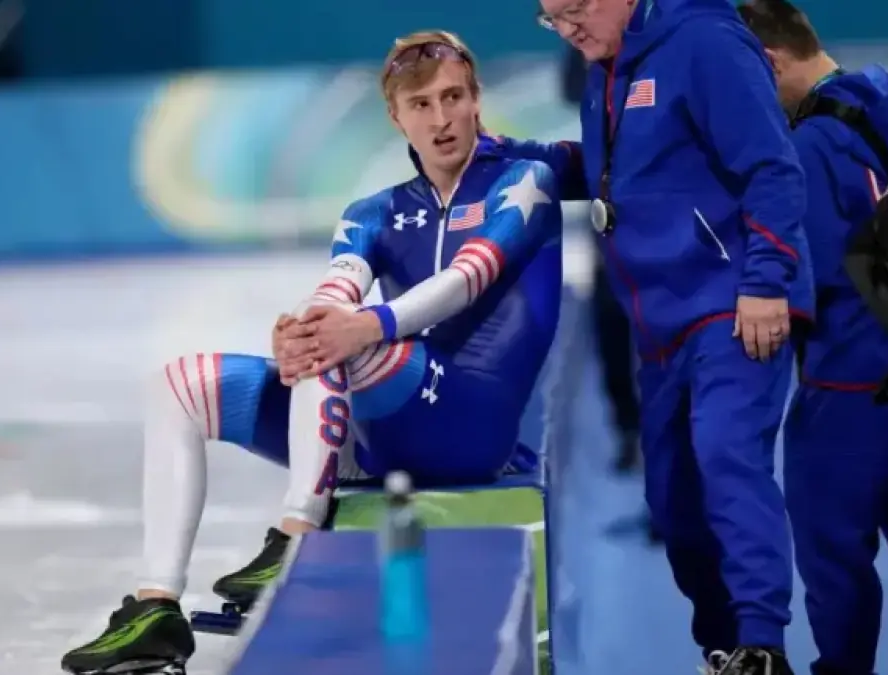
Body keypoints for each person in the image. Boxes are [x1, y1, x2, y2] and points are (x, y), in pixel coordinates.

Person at [59, 30, 576, 675]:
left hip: (474, 425)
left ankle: (297, 536)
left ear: (477, 102)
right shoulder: (373, 211)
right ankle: (156, 607)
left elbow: (466, 280)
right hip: (392, 418)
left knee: (343, 342)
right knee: (180, 384)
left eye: (452, 98)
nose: (441, 118)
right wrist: (301, 328)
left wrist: (359, 327)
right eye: (420, 104)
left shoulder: (525, 181)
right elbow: (338, 287)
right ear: (397, 118)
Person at [535, 0, 815, 672]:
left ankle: (762, 646)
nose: (568, 29)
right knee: (673, 502)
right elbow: (616, 170)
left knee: (727, 455)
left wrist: (765, 281)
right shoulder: (606, 67)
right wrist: (507, 161)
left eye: (574, 9)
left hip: (731, 304)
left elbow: (773, 167)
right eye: (551, 19)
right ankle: (723, 645)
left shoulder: (706, 41)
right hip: (659, 324)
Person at [736, 2, 888, 674]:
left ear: (767, 64)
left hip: (850, 378)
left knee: (833, 548)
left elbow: (804, 279)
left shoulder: (807, 148)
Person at [560, 43, 642, 472]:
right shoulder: (588, 45)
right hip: (610, 223)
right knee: (611, 323)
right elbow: (571, 87)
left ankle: (664, 440)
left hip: (663, 225)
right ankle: (628, 428)